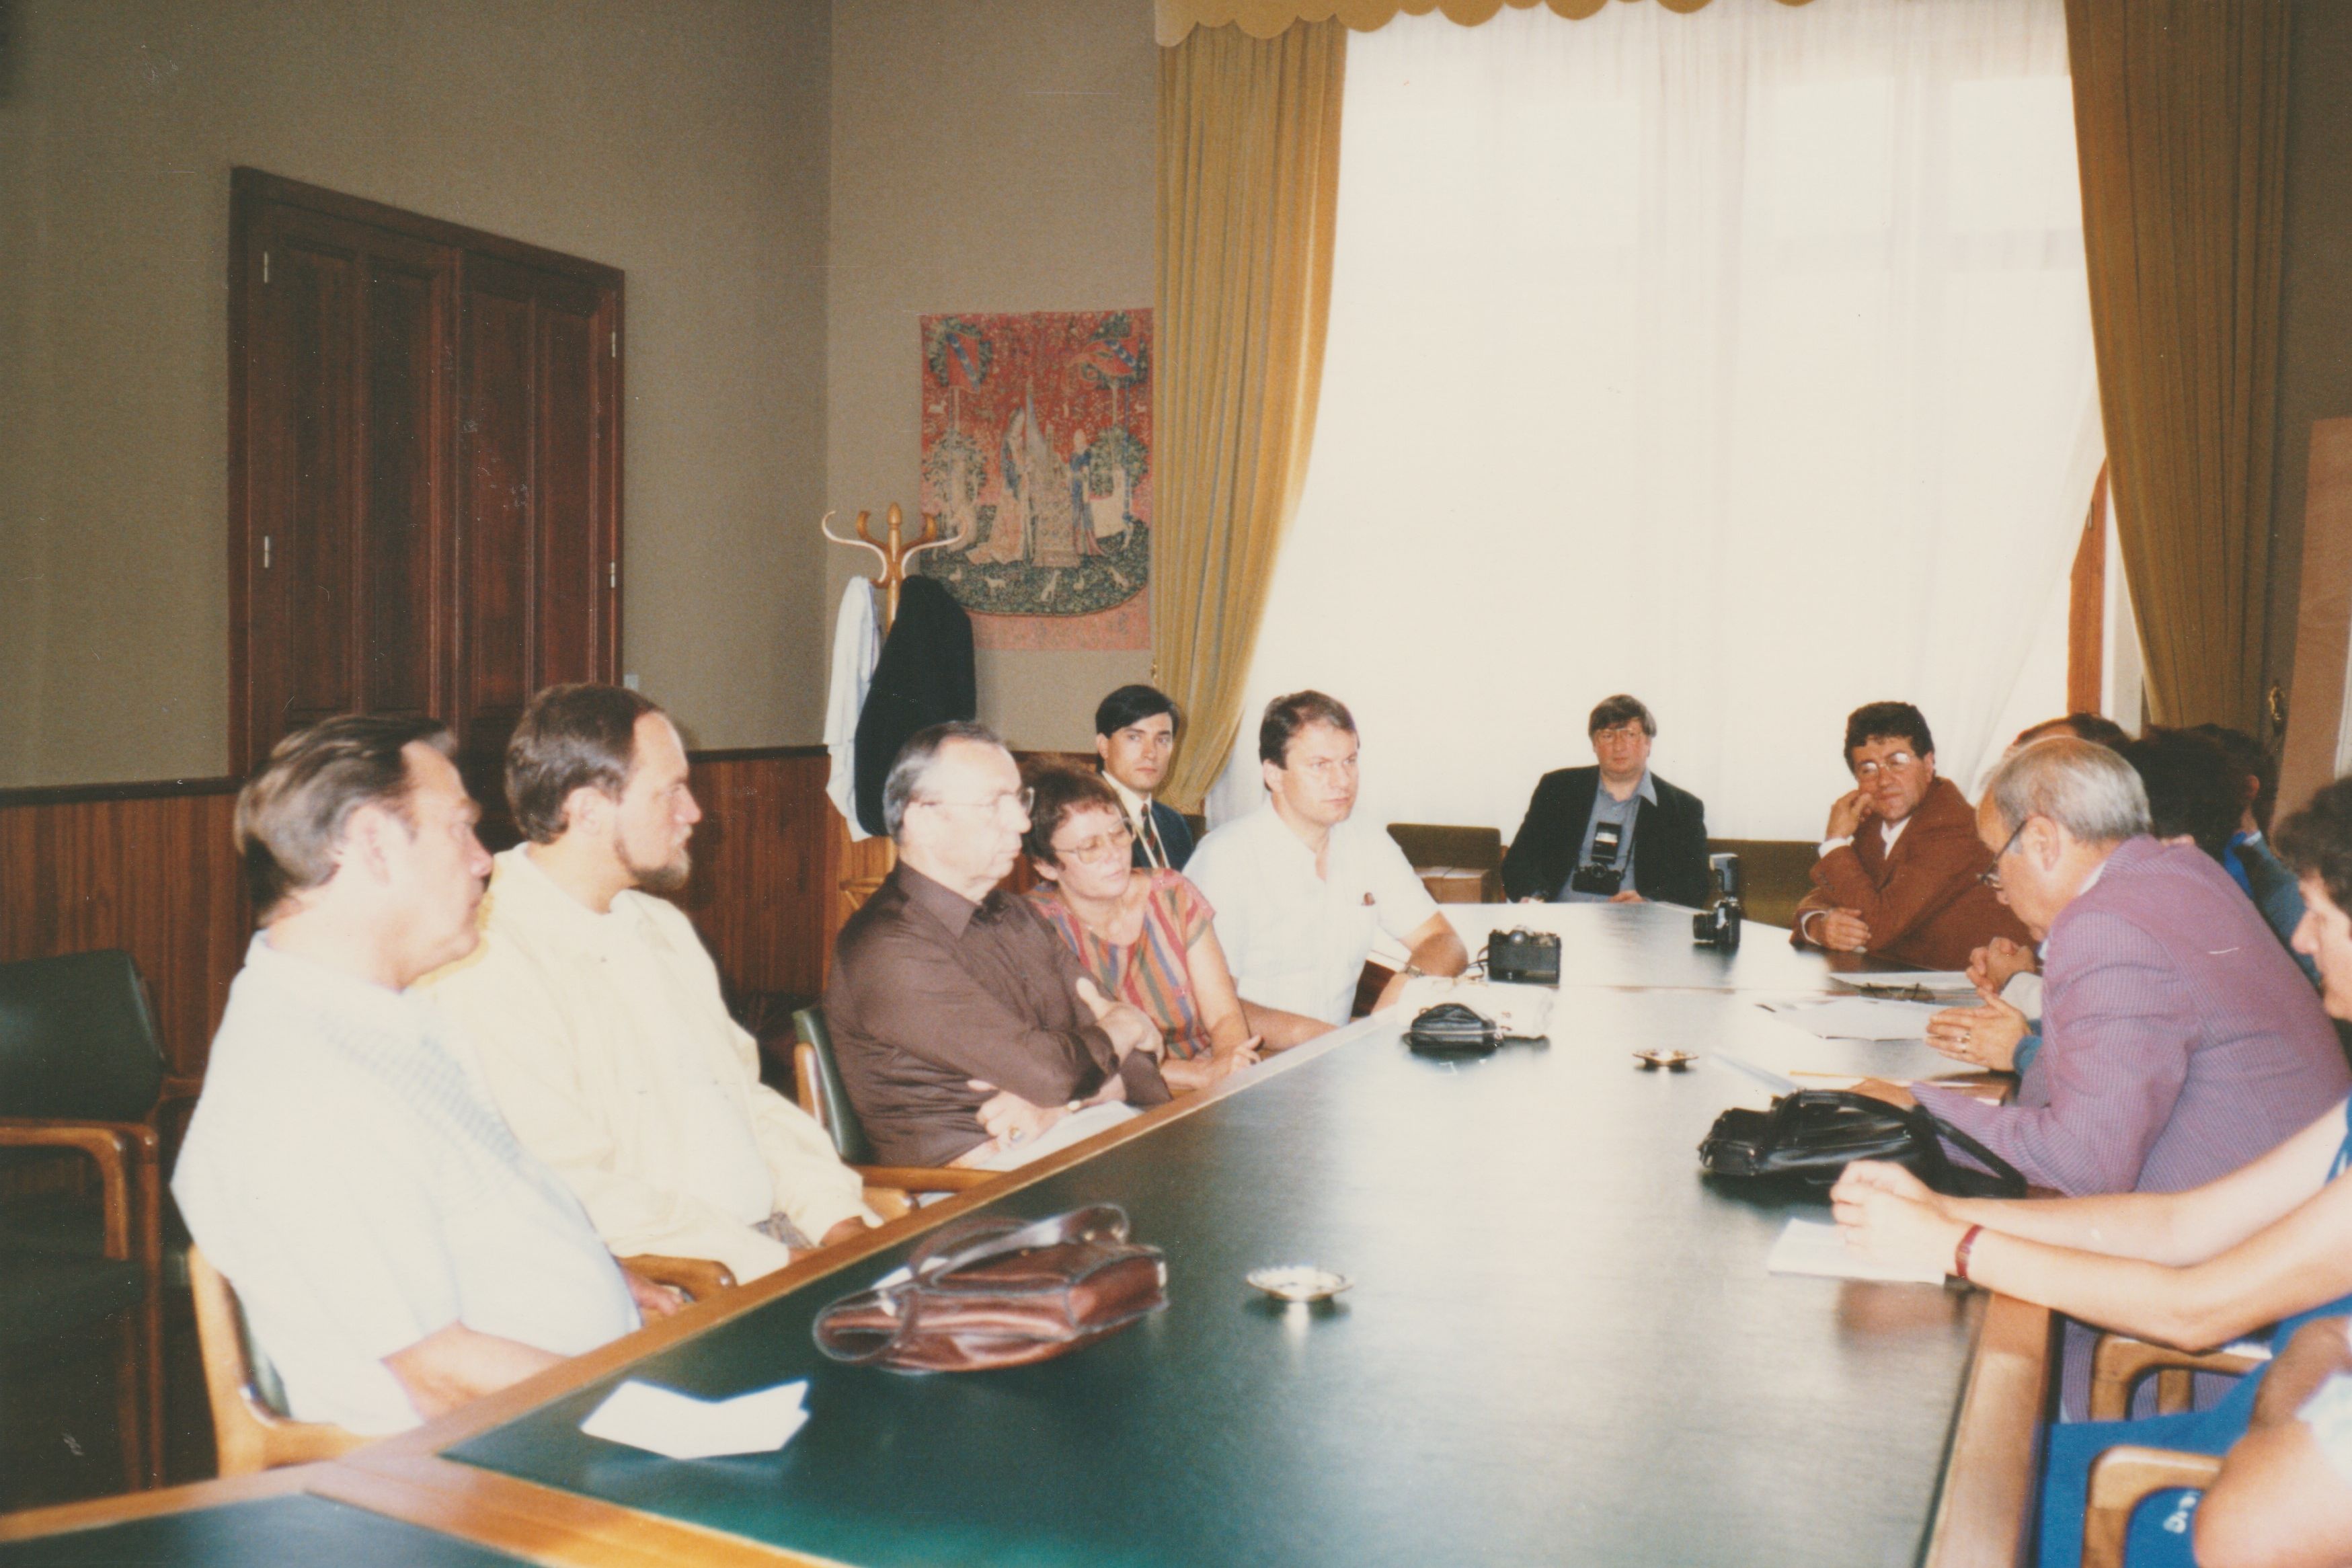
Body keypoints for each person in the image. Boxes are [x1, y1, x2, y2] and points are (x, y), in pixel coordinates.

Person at [1832, 772, 2352, 1568]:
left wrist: (1955, 1247)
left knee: (1905, 1510)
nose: (2304, 940)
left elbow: (2193, 1312)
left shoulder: (2113, 916)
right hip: (2247, 1426)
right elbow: (2177, 1224)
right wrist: (1941, 1211)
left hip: (2200, 1485)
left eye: (2321, 914)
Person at [172, 716, 654, 1435]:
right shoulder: (305, 1086)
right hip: (479, 1465)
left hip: (569, 1411)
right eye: (459, 829)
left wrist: (609, 1285)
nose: (484, 859)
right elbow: (441, 1377)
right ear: (372, 844)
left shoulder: (383, 1018)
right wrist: (665, 1409)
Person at [422, 684, 876, 1286]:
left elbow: (751, 1103)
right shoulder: (487, 956)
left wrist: (840, 1223)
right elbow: (572, 1187)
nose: (694, 812)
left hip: (775, 1246)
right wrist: (777, 1266)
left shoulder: (660, 926)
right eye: (670, 792)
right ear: (588, 810)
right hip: (671, 1276)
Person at [1869, 737, 2347, 1199]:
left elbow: (2083, 1164)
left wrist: (1915, 1113)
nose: (2001, 893)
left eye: (1996, 866)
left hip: (2257, 1236)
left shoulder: (2104, 923)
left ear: (2042, 841)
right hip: (2281, 1204)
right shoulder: (2183, 870)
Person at [826, 721, 1171, 1169]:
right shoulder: (888, 949)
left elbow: (1142, 1065)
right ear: (924, 819)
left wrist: (1062, 1104)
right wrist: (1124, 1025)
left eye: (1019, 800)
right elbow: (1054, 1072)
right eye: (995, 804)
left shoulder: (1016, 914)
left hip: (1077, 1144)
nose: (1023, 823)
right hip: (978, 1187)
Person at [1186, 691, 1470, 1049]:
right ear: (1274, 774)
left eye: (1349, 761)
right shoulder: (1225, 859)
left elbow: (1445, 942)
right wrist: (1325, 1040)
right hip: (1251, 1058)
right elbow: (1203, 1002)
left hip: (1338, 1053)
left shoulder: (1366, 840)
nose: (1342, 781)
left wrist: (1401, 992)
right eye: (1320, 765)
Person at [1021, 765, 1259, 1093]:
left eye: (1118, 833)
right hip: (1114, 1093)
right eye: (1090, 847)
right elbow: (1075, 1055)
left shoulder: (1172, 894)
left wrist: (1230, 1064)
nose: (1114, 854)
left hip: (1211, 1075)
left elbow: (1224, 1016)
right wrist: (1199, 1076)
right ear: (1046, 865)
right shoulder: (1033, 928)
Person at [1792, 701, 2030, 969]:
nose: (1884, 781)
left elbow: (1876, 927)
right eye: (1868, 769)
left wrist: (1835, 841)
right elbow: (1826, 896)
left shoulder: (1953, 826)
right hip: (1900, 979)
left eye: (1897, 762)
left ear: (1928, 765)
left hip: (1972, 984)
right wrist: (1819, 926)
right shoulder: (1874, 825)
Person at [1498, 694, 1712, 906]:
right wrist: (1534, 898)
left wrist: (1649, 904)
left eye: (1630, 735)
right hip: (1558, 918)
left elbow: (1696, 884)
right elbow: (1517, 862)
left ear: (1648, 743)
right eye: (1607, 736)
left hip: (1637, 924)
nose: (1619, 746)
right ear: (1594, 744)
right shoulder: (1558, 789)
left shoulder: (1682, 808)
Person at [1094, 683, 1194, 871]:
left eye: (1162, 740)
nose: (1151, 753)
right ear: (1104, 746)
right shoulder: (1084, 817)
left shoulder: (1175, 823)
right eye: (1135, 737)